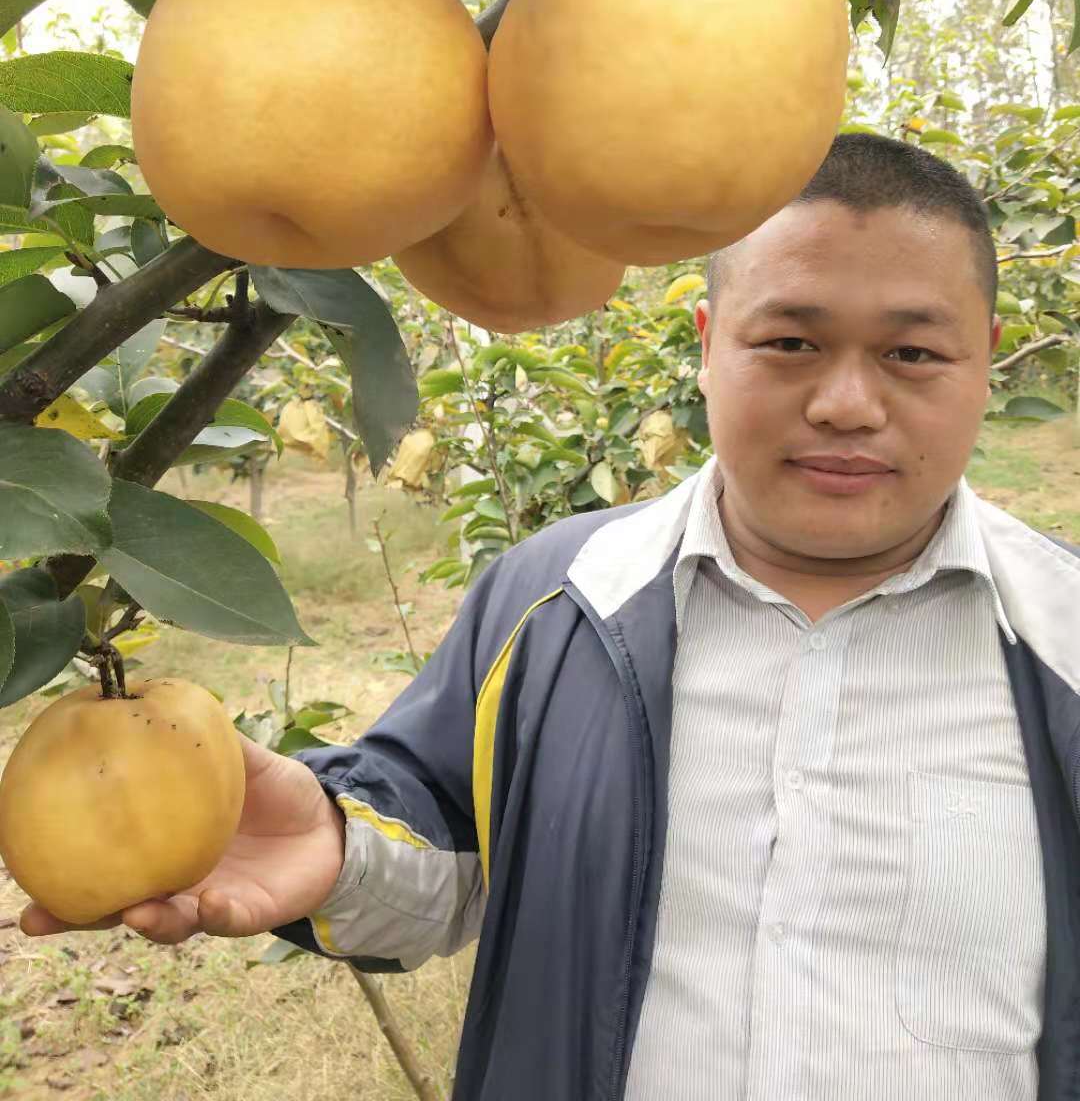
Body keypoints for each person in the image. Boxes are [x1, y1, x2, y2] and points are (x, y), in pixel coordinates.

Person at [19, 132, 1080, 1101]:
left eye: (914, 353)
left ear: (986, 357)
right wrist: (336, 850)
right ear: (709, 346)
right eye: (790, 343)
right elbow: (447, 867)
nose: (847, 401)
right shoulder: (557, 599)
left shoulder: (1065, 639)